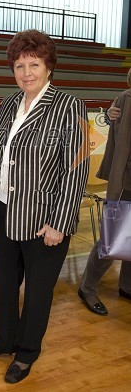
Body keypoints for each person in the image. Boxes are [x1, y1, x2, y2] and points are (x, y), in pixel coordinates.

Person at [0, 29, 89, 384]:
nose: (26, 72)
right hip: (5, 210)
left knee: (37, 293)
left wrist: (61, 223)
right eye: (19, 65)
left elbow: (76, 171)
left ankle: (26, 352)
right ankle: (2, 340)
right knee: (3, 285)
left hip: (44, 221)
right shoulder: (8, 103)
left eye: (33, 64)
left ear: (48, 66)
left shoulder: (71, 106)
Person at [78, 67, 131, 316]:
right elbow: (119, 139)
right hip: (126, 182)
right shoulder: (126, 98)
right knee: (112, 241)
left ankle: (127, 286)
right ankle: (88, 287)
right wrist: (110, 116)